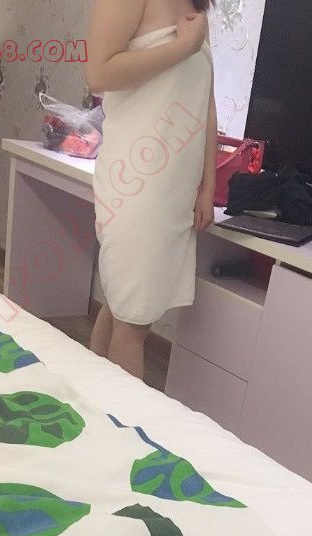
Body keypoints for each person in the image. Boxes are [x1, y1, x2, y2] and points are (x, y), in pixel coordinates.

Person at [86, 0, 217, 379]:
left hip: (172, 191)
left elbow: (205, 102)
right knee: (133, 321)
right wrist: (183, 47)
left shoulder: (195, 8)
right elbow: (98, 74)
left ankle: (88, 399)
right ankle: (119, 417)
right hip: (138, 183)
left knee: (121, 307)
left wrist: (207, 187)